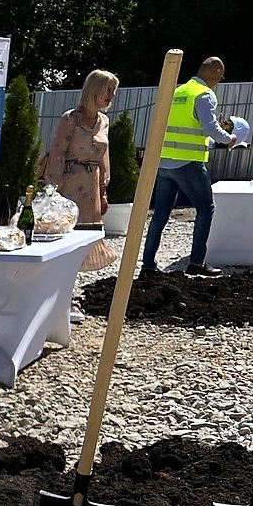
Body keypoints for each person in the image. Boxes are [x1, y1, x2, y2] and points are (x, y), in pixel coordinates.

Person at [141, 56, 242, 276]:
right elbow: (210, 127)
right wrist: (229, 139)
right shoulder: (204, 94)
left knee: (160, 215)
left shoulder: (177, 92)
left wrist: (212, 143)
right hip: (188, 164)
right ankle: (197, 263)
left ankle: (147, 266)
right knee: (206, 208)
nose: (219, 81)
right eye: (221, 77)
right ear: (215, 72)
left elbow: (185, 130)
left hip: (164, 163)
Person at [40, 69, 120, 321]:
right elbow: (57, 152)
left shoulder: (104, 121)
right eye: (107, 90)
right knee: (65, 242)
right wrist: (53, 191)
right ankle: (59, 297)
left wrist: (104, 190)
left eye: (113, 91)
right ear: (93, 90)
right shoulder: (71, 119)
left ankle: (68, 296)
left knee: (83, 243)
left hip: (92, 188)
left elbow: (104, 157)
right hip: (70, 185)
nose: (111, 96)